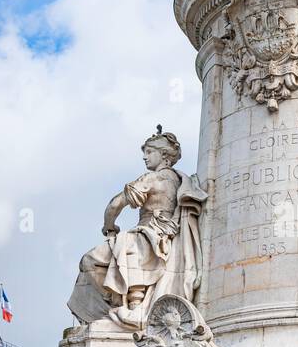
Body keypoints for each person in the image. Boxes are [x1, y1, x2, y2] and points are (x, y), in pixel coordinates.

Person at [68, 127, 206, 330]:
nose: (144, 157)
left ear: (164, 155)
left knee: (88, 261)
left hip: (146, 237)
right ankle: (127, 304)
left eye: (149, 152)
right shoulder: (181, 180)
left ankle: (116, 305)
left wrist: (109, 226)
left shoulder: (152, 179)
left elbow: (115, 204)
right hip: (166, 238)